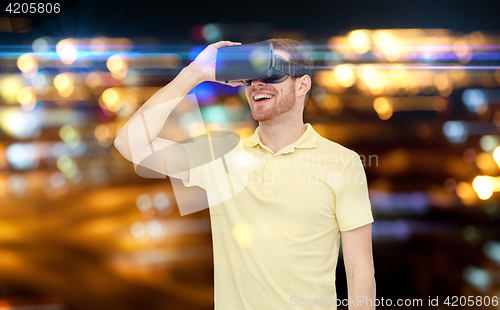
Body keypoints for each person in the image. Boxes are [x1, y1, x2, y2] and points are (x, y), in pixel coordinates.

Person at [114, 39, 375, 310]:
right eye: (251, 77)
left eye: (272, 73)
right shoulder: (222, 158)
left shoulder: (342, 163)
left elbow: (360, 273)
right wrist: (196, 73)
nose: (257, 84)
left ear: (302, 84)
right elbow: (130, 144)